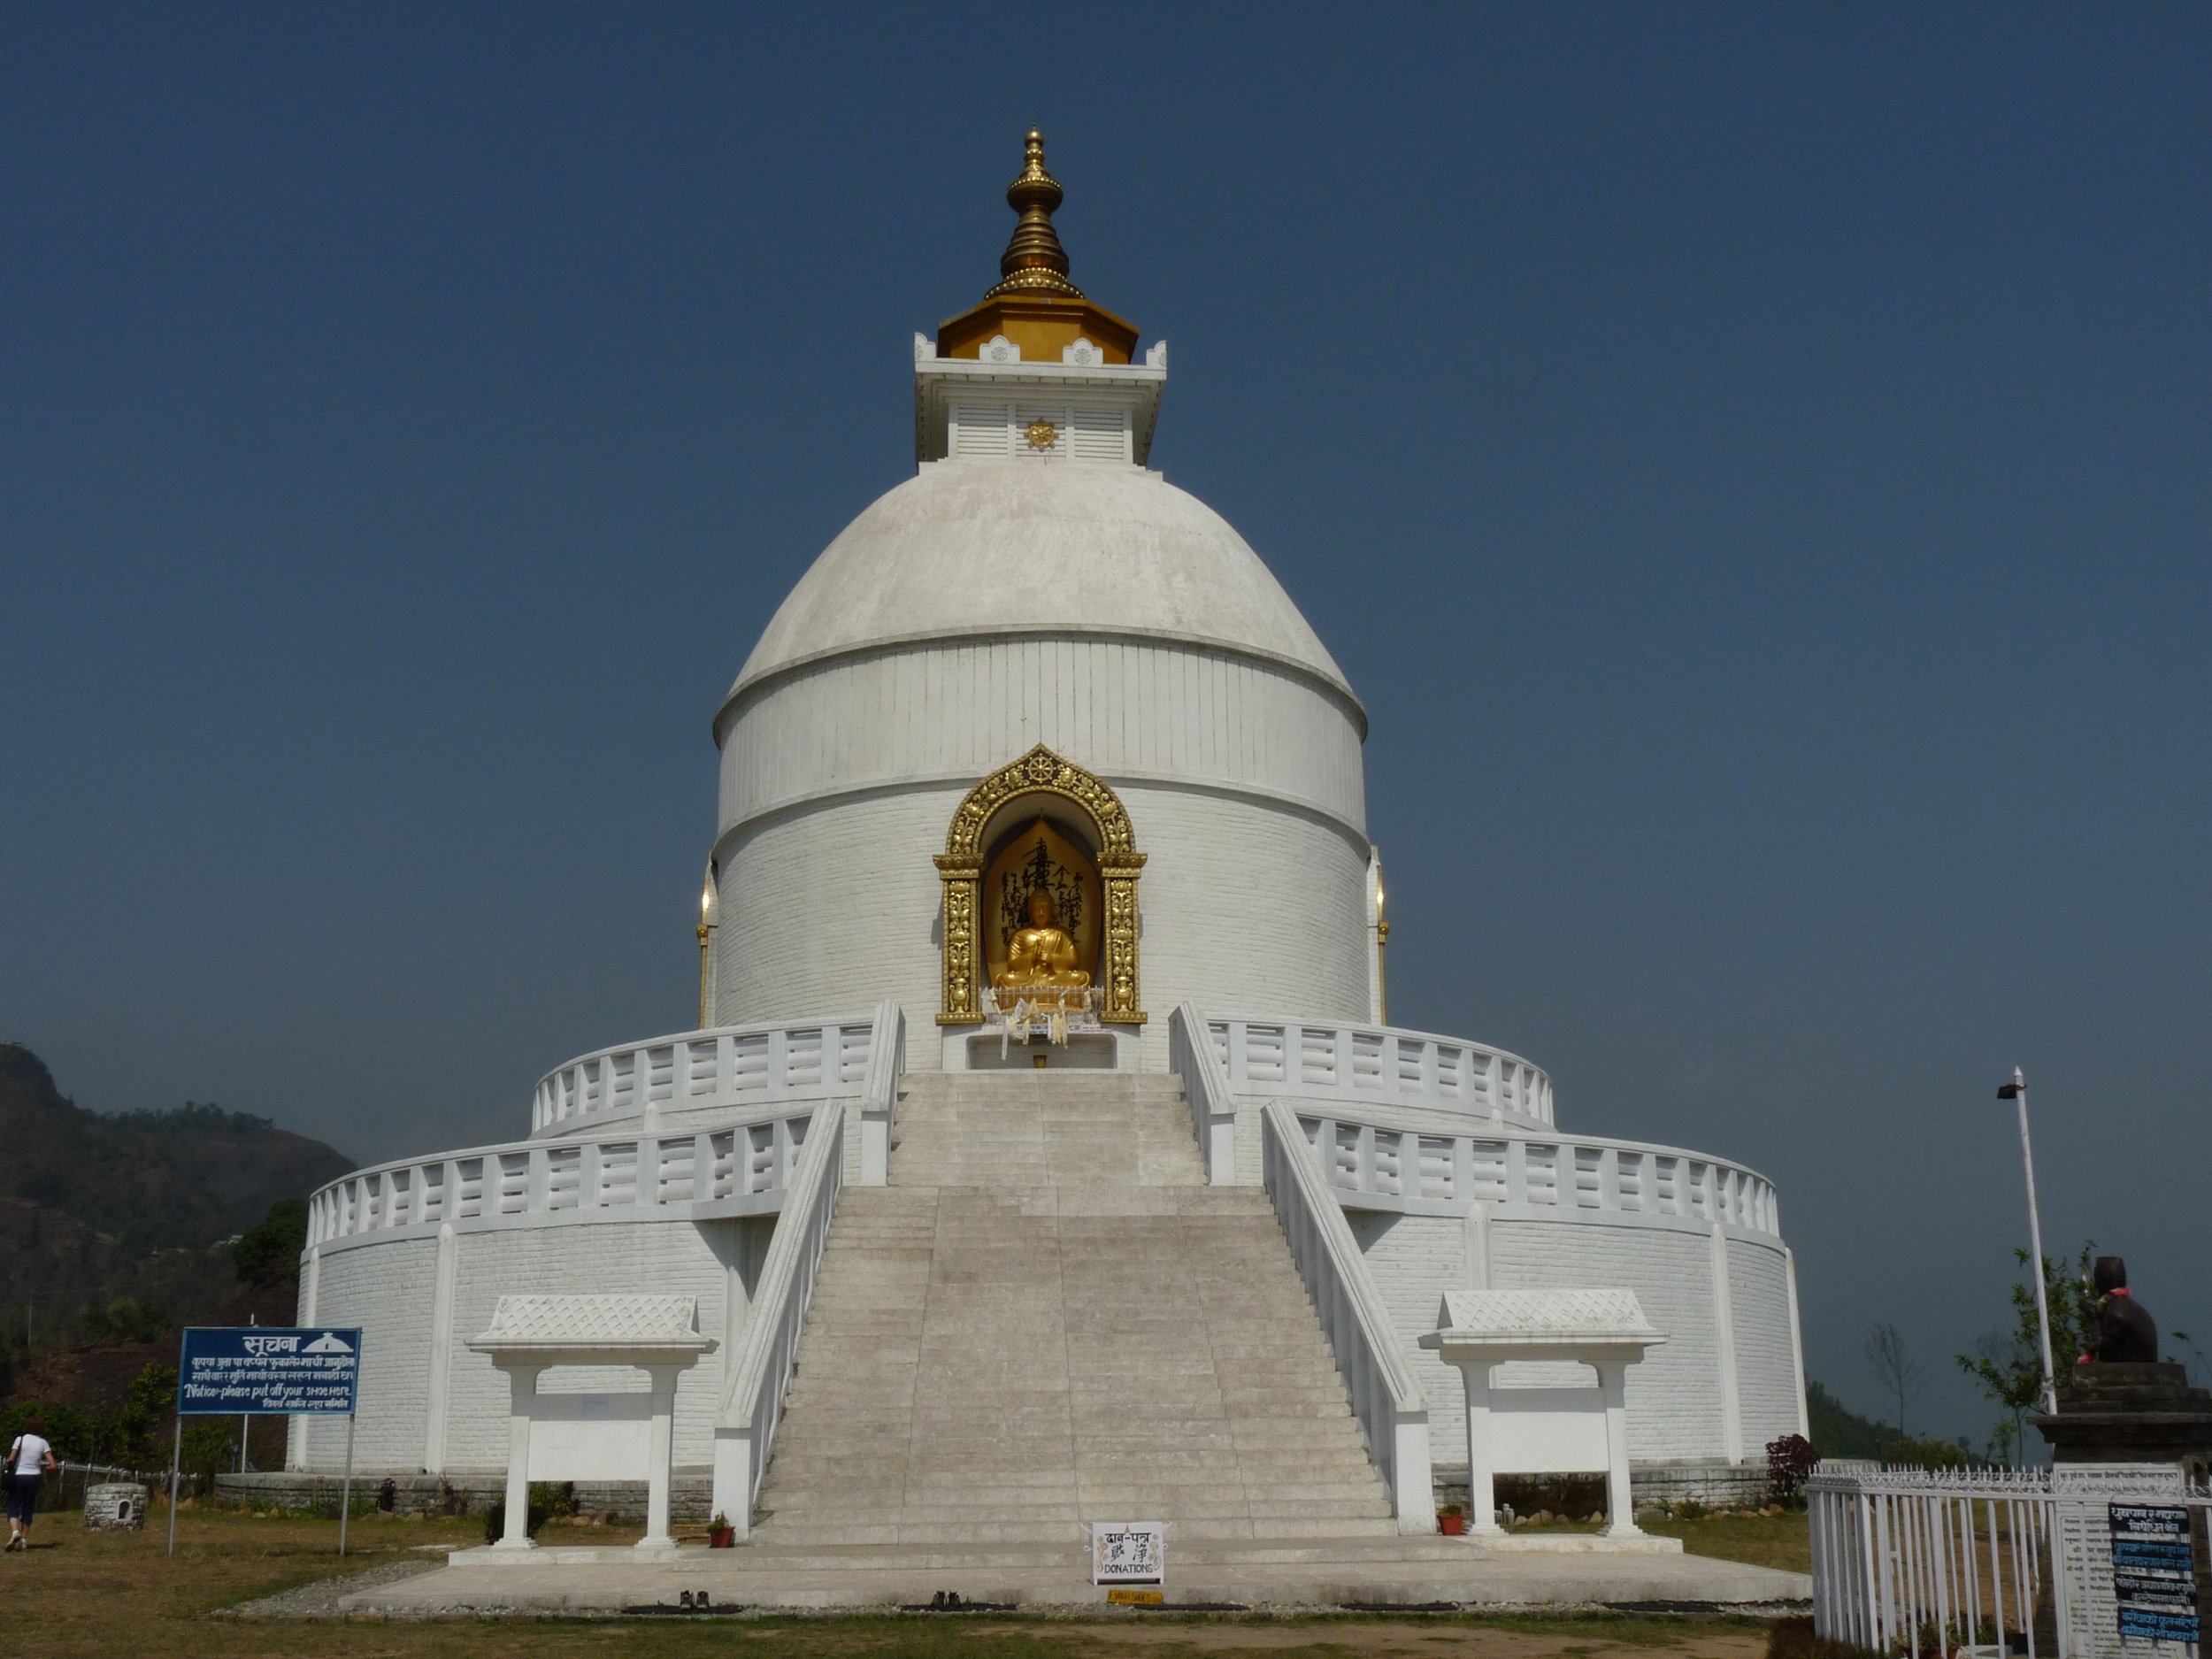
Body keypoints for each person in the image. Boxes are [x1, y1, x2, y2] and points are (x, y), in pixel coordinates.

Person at [6, 1417, 59, 1550]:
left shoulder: (20, 1439)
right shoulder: (43, 1443)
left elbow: (11, 1459)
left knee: (13, 1506)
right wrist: (42, 1467)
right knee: (28, 1508)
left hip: (19, 1476)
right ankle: (23, 1540)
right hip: (34, 1477)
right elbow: (53, 1465)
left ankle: (15, 1532)